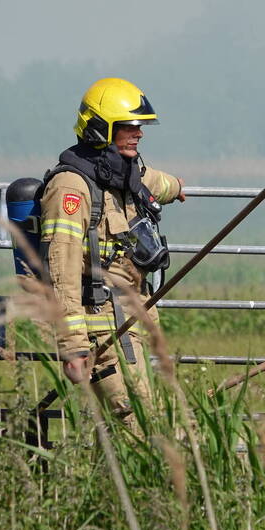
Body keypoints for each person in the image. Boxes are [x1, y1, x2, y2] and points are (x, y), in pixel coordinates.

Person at [41, 77, 184, 429]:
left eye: (141, 126)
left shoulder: (122, 173)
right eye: (130, 126)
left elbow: (153, 182)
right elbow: (61, 271)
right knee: (135, 422)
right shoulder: (71, 188)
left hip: (130, 322)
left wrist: (177, 187)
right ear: (100, 129)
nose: (139, 133)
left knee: (141, 422)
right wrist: (74, 347)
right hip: (99, 327)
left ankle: (113, 483)